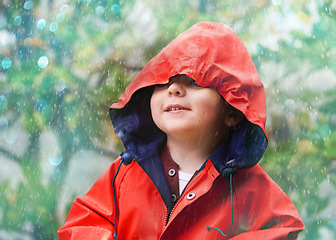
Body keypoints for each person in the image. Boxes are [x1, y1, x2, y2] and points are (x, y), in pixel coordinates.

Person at [58, 21, 304, 239]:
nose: (174, 89)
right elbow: (83, 222)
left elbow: (281, 227)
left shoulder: (250, 188)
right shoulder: (124, 174)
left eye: (195, 82)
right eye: (164, 81)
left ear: (232, 111)